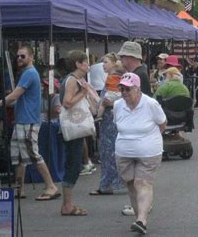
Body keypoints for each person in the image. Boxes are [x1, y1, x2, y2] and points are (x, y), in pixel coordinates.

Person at [0, 45, 59, 201]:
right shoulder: (27, 73)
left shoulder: (29, 73)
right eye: (18, 56)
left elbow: (13, 97)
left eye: (22, 56)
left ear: (31, 57)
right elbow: (15, 98)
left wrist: (0, 102)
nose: (19, 58)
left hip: (28, 121)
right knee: (19, 157)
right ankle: (20, 188)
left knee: (33, 154)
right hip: (22, 120)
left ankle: (51, 186)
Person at [114, 73, 167, 234]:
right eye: (121, 88)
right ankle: (139, 218)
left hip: (149, 151)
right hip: (123, 151)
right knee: (130, 184)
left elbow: (162, 123)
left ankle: (141, 220)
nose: (124, 92)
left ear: (137, 89)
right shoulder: (118, 105)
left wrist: (150, 139)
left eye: (127, 89)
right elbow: (117, 124)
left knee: (142, 183)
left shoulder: (150, 104)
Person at [117, 41, 153, 216]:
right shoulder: (139, 72)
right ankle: (141, 204)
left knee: (137, 177)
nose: (122, 60)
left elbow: (141, 101)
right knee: (136, 177)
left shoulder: (139, 75)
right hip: (139, 131)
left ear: (130, 57)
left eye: (123, 56)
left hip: (139, 131)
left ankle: (141, 206)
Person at [60, 50, 97, 216]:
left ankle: (68, 203)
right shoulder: (73, 81)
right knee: (73, 164)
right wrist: (83, 93)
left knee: (74, 163)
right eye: (86, 62)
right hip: (73, 128)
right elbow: (67, 102)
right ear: (78, 64)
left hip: (76, 127)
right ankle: (67, 205)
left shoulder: (75, 80)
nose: (88, 65)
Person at [90, 52, 126, 196]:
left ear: (113, 63)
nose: (103, 65)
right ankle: (110, 182)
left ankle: (108, 183)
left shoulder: (114, 78)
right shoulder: (113, 78)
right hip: (109, 119)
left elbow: (113, 99)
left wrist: (103, 104)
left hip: (111, 120)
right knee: (109, 152)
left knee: (109, 152)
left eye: (105, 62)